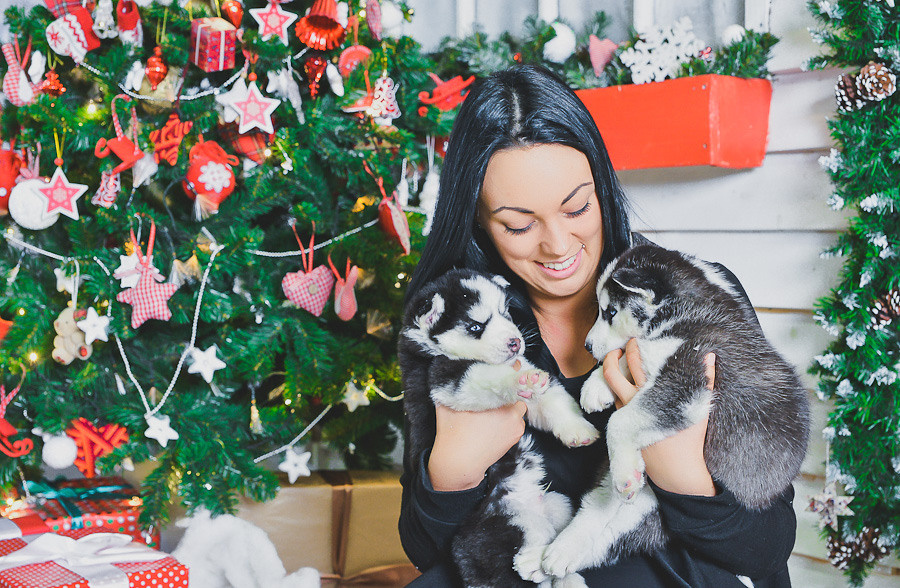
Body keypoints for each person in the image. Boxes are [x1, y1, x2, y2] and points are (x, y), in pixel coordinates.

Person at [399, 65, 796, 587]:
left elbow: (767, 547)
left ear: (602, 186)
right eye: (519, 225)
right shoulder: (458, 321)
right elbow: (431, 553)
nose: (559, 246)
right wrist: (451, 470)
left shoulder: (688, 299)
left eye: (578, 207)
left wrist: (682, 477)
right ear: (477, 217)